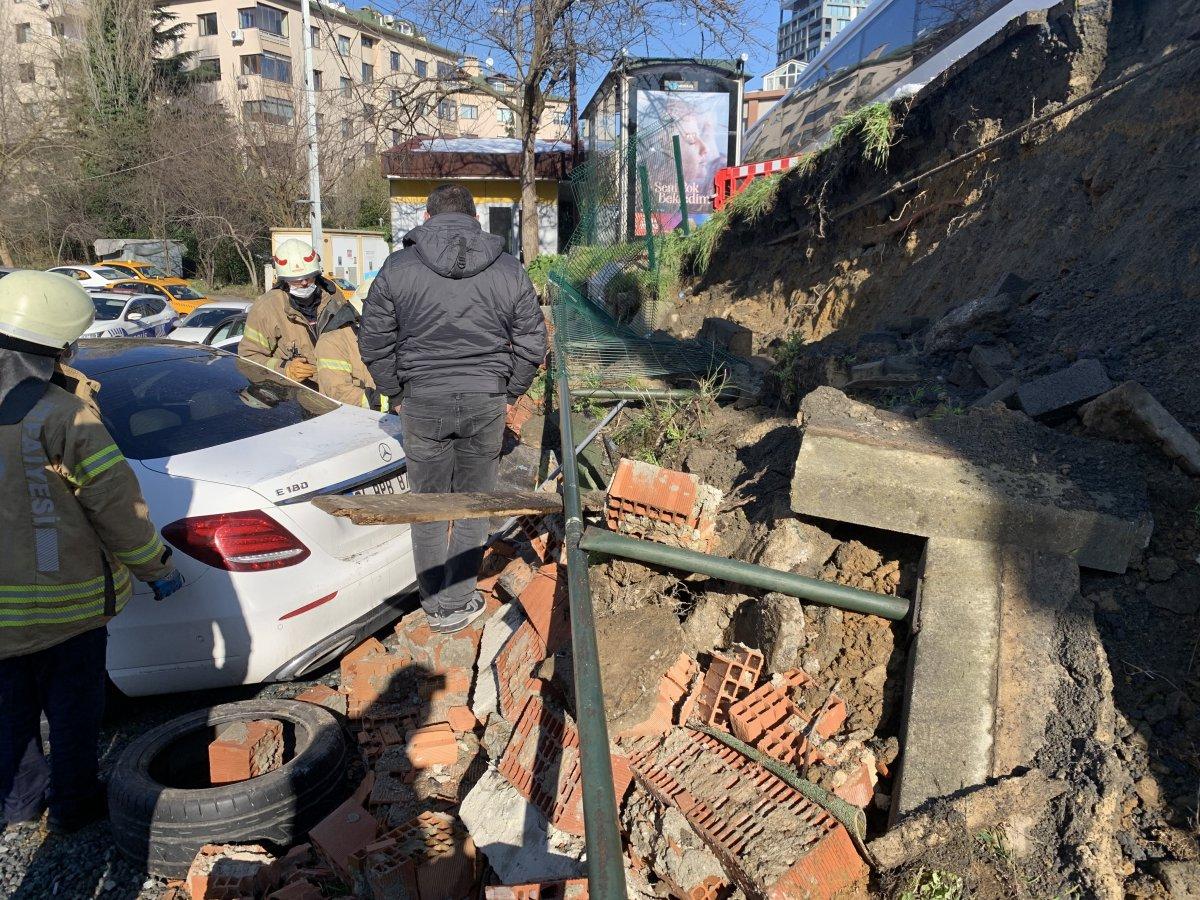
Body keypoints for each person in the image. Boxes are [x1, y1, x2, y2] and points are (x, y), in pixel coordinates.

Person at [0, 271, 183, 833]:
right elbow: (116, 506)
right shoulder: (62, 414)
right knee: (74, 713)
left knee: (10, 718)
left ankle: (19, 805)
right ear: (56, 343)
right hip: (65, 608)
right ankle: (73, 807)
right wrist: (155, 567)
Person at [359, 185, 547, 634]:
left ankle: (433, 603)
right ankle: (458, 600)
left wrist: (396, 393)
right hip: (485, 399)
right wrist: (509, 391)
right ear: (475, 221)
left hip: (422, 400)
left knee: (428, 507)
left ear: (426, 218)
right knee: (472, 503)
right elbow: (532, 341)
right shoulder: (507, 268)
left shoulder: (397, 268)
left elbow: (373, 341)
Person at [239, 237, 342, 388]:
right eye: (296, 279)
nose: (304, 283)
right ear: (283, 279)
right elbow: (248, 358)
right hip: (298, 394)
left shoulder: (334, 297)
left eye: (309, 277)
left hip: (338, 389)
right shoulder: (267, 307)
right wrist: (285, 369)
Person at [315, 276, 388, 411]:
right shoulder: (332, 343)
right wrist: (387, 402)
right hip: (351, 419)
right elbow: (339, 393)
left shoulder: (397, 337)